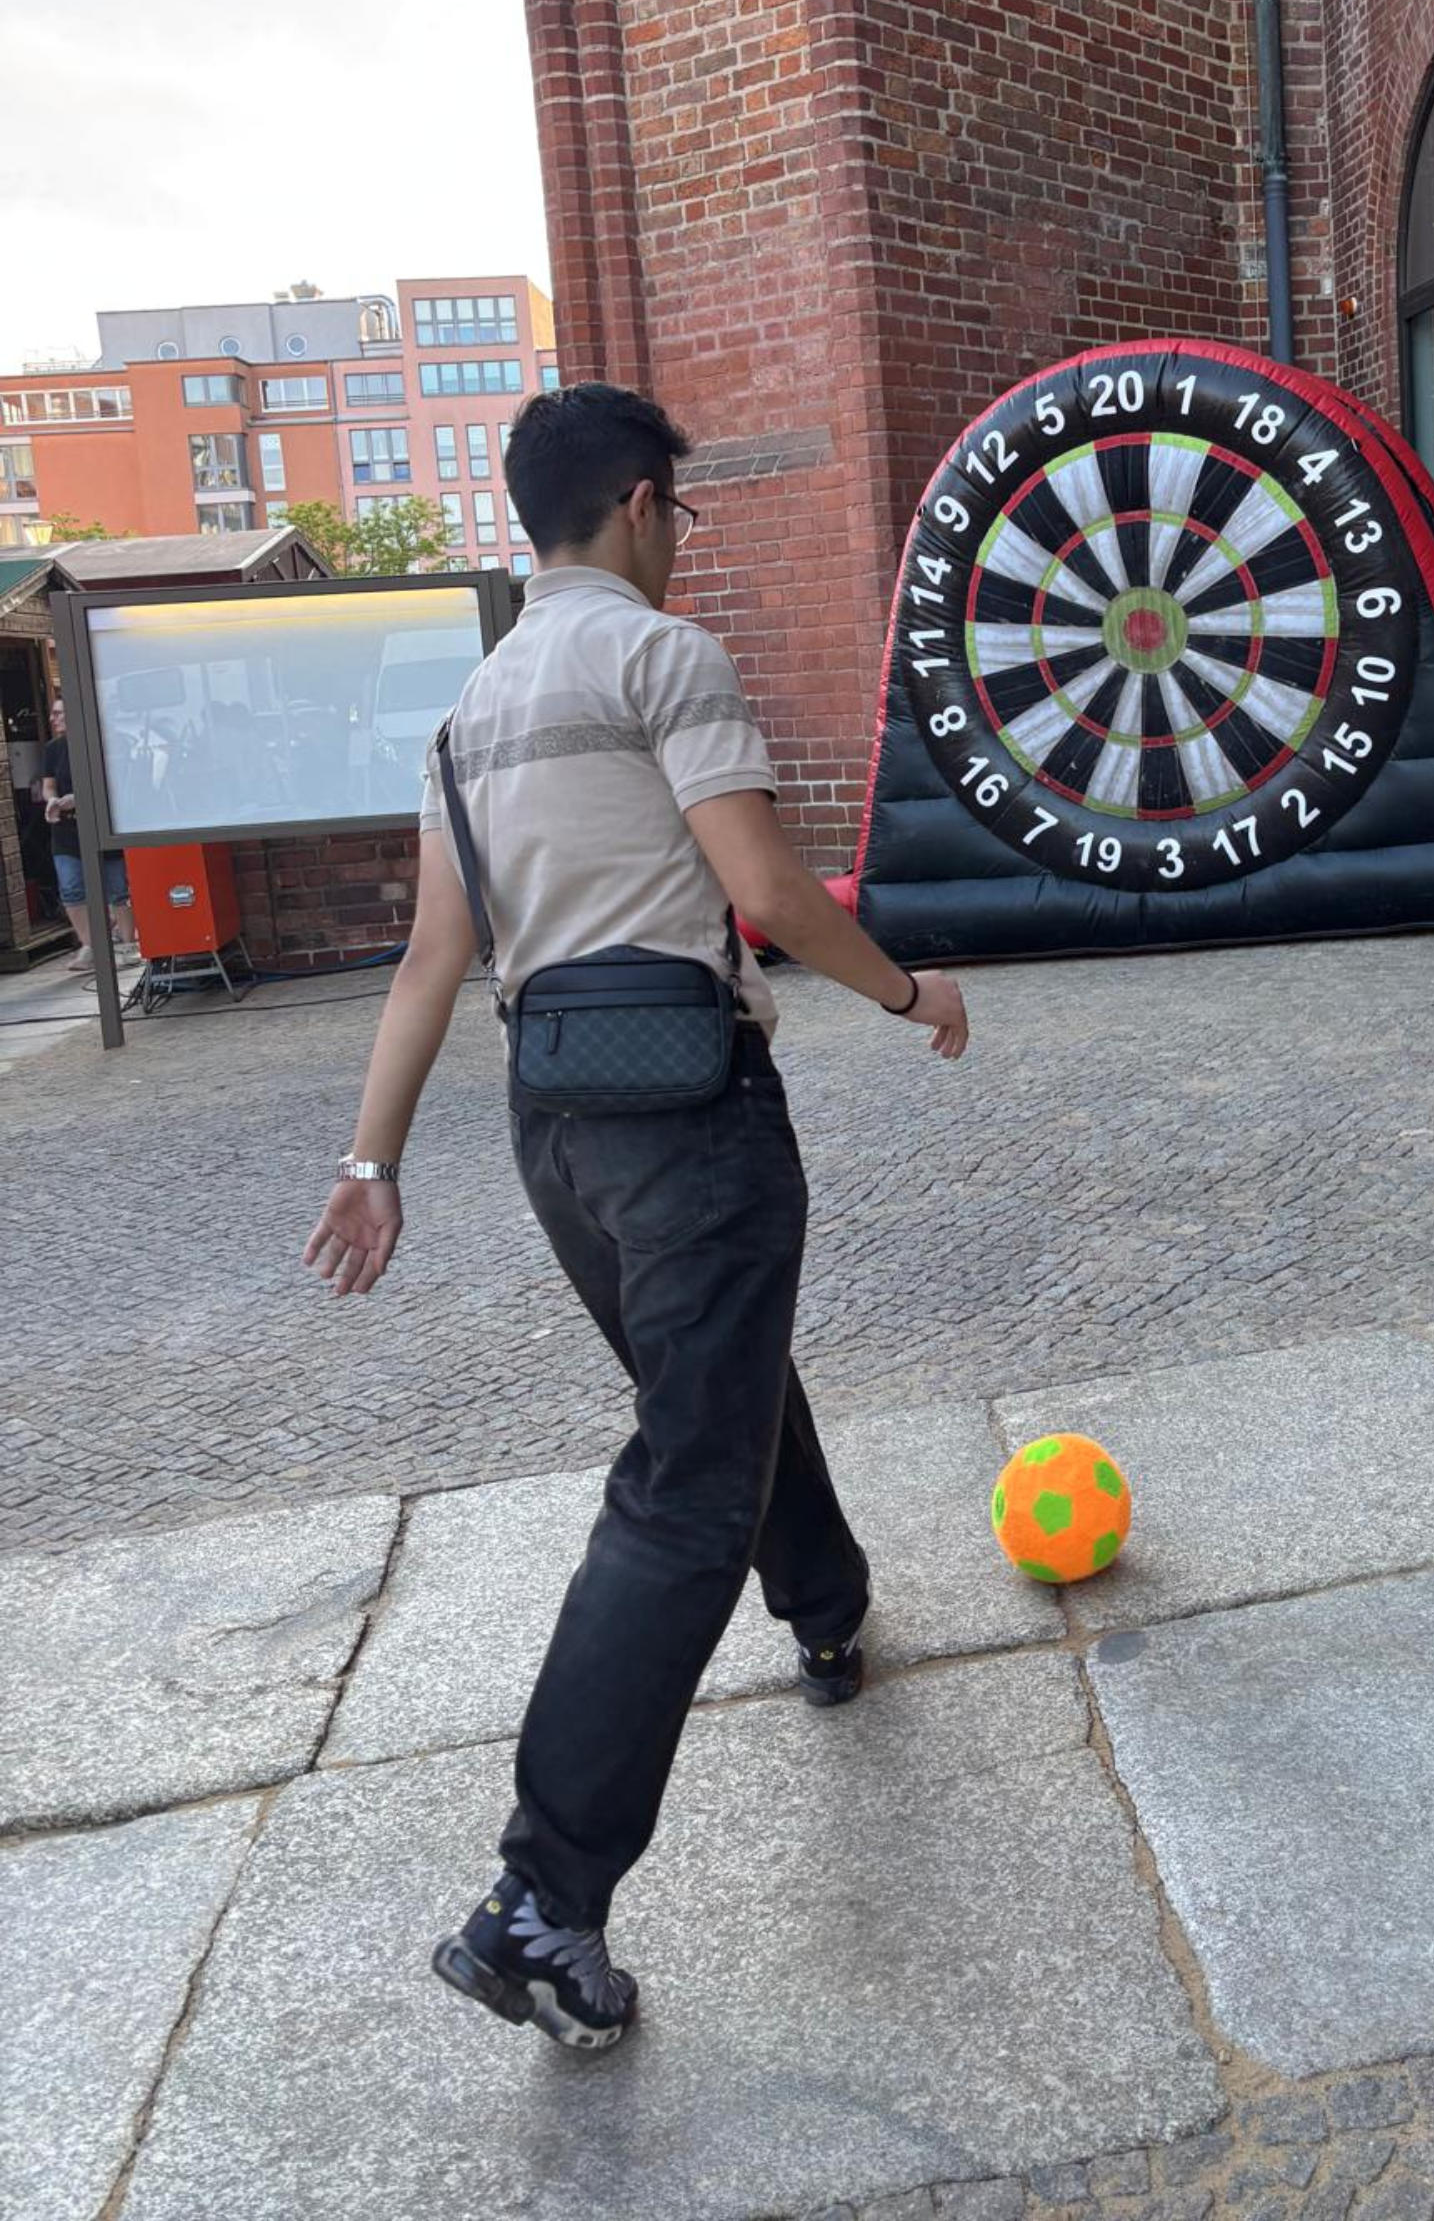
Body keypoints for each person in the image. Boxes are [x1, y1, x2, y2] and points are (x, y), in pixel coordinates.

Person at [301, 382, 969, 2052]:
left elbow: (433, 959)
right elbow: (764, 891)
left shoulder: (469, 717)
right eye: (683, 513)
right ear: (643, 506)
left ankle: (826, 1604)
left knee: (716, 1386)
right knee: (686, 1479)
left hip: (560, 1136)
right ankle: (543, 1899)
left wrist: (372, 1163)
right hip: (691, 1118)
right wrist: (911, 993)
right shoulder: (664, 658)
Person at [41, 695, 134, 972]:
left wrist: (78, 798)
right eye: (53, 713)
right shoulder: (53, 748)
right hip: (66, 828)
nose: (53, 718)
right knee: (70, 887)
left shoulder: (104, 743)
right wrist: (51, 800)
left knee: (117, 888)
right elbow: (48, 784)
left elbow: (115, 782)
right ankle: (91, 946)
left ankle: (128, 944)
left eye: (59, 713)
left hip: (102, 823)